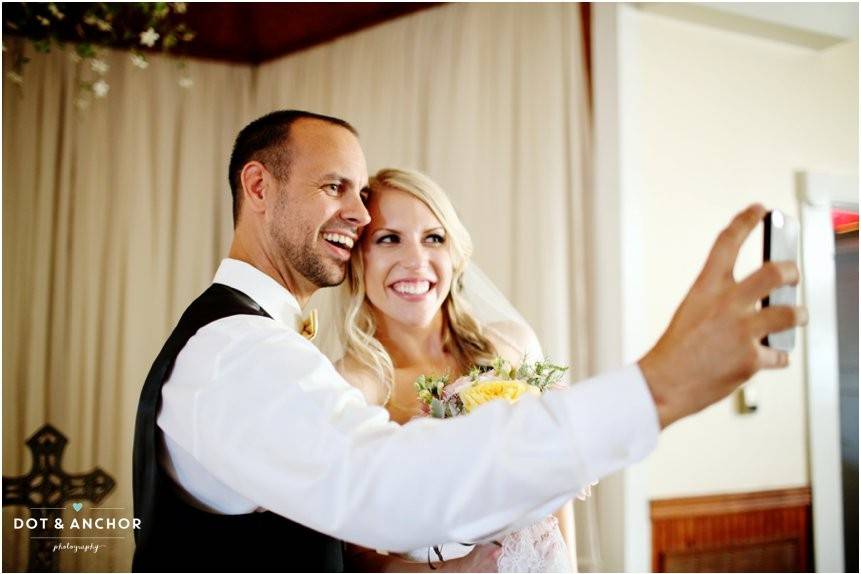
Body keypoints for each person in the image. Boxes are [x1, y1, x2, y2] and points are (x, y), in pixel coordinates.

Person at [132, 110, 808, 572]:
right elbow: (389, 489)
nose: (361, 217)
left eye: (362, 197)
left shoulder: (259, 341)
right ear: (258, 186)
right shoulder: (236, 352)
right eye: (335, 188)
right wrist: (658, 385)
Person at [333, 167, 577, 572]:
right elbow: (356, 558)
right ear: (360, 258)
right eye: (389, 239)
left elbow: (559, 491)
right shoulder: (351, 388)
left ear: (454, 253)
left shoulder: (514, 347)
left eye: (434, 238)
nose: (416, 260)